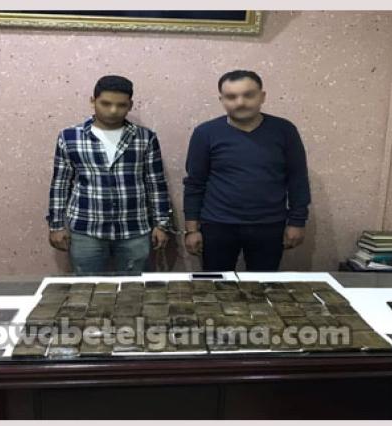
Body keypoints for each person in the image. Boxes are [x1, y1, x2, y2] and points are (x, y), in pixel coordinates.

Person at [183, 70, 311, 271]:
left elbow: (297, 180)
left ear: (262, 96)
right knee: (216, 285)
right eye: (231, 96)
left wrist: (297, 222)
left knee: (263, 285)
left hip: (269, 225)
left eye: (248, 95)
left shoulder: (285, 130)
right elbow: (194, 183)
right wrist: (191, 230)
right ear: (222, 100)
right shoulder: (205, 133)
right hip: (217, 225)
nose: (240, 102)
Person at [46, 75, 172, 274]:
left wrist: (162, 224)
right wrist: (56, 226)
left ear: (130, 105)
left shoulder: (145, 138)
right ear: (93, 101)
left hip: (134, 228)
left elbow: (156, 184)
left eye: (121, 105)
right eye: (106, 103)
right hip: (86, 228)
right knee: (87, 287)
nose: (113, 110)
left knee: (134, 288)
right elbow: (60, 184)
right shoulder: (70, 137)